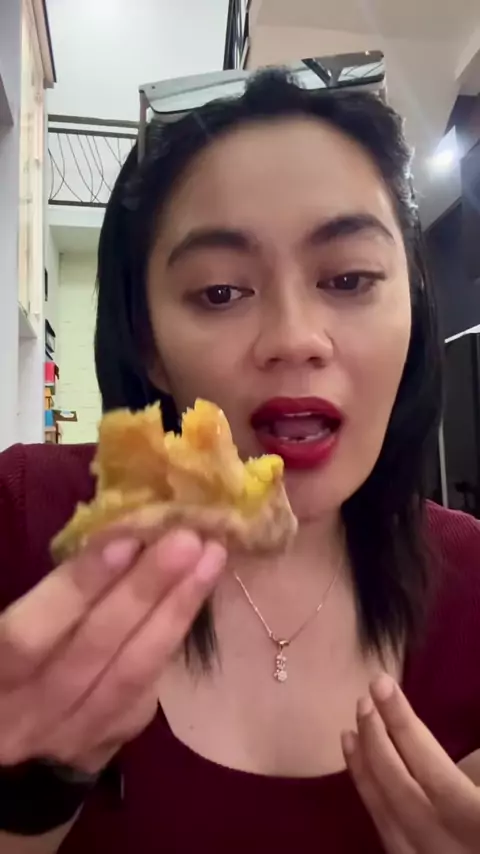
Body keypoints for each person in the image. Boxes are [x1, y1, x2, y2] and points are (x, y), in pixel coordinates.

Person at [0, 69, 479, 854]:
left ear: (415, 312)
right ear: (149, 347)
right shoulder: (24, 522)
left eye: (349, 278)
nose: (294, 338)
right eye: (220, 291)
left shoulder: (473, 587)